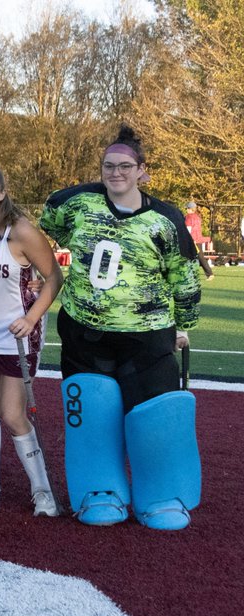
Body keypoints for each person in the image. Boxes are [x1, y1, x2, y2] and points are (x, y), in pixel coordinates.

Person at [40, 126, 202, 530]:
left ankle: (162, 493)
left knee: (154, 413)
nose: (116, 173)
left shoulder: (165, 219)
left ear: (143, 171)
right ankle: (100, 489)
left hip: (146, 334)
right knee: (92, 412)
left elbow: (184, 278)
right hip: (85, 330)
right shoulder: (77, 204)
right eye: (109, 166)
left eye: (125, 166)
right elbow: (52, 220)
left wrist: (185, 325)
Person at [0, 163, 61, 517]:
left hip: (17, 335)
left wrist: (31, 317)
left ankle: (42, 490)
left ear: (3, 192)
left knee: (12, 413)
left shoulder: (21, 232)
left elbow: (54, 277)